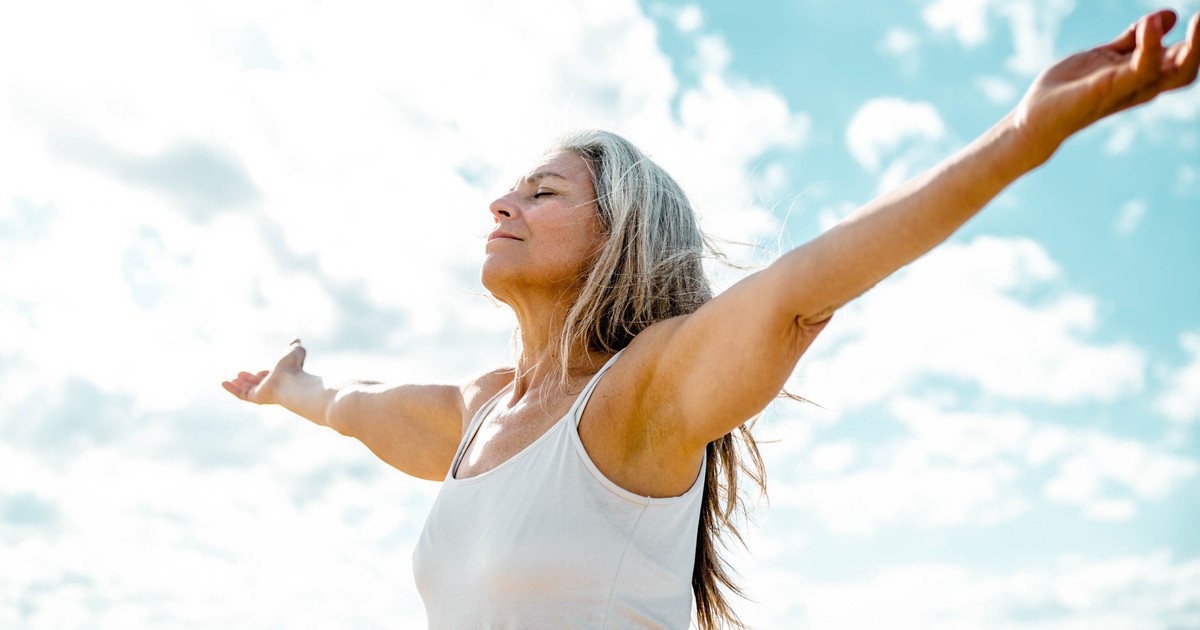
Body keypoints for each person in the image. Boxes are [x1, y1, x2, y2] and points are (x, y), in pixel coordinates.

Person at [223, 10, 1199, 629]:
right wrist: (288, 389)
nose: (502, 203)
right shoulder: (477, 413)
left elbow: (803, 284)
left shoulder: (639, 397)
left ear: (618, 238)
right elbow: (352, 403)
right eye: (512, 188)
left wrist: (1024, 136)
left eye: (544, 191)